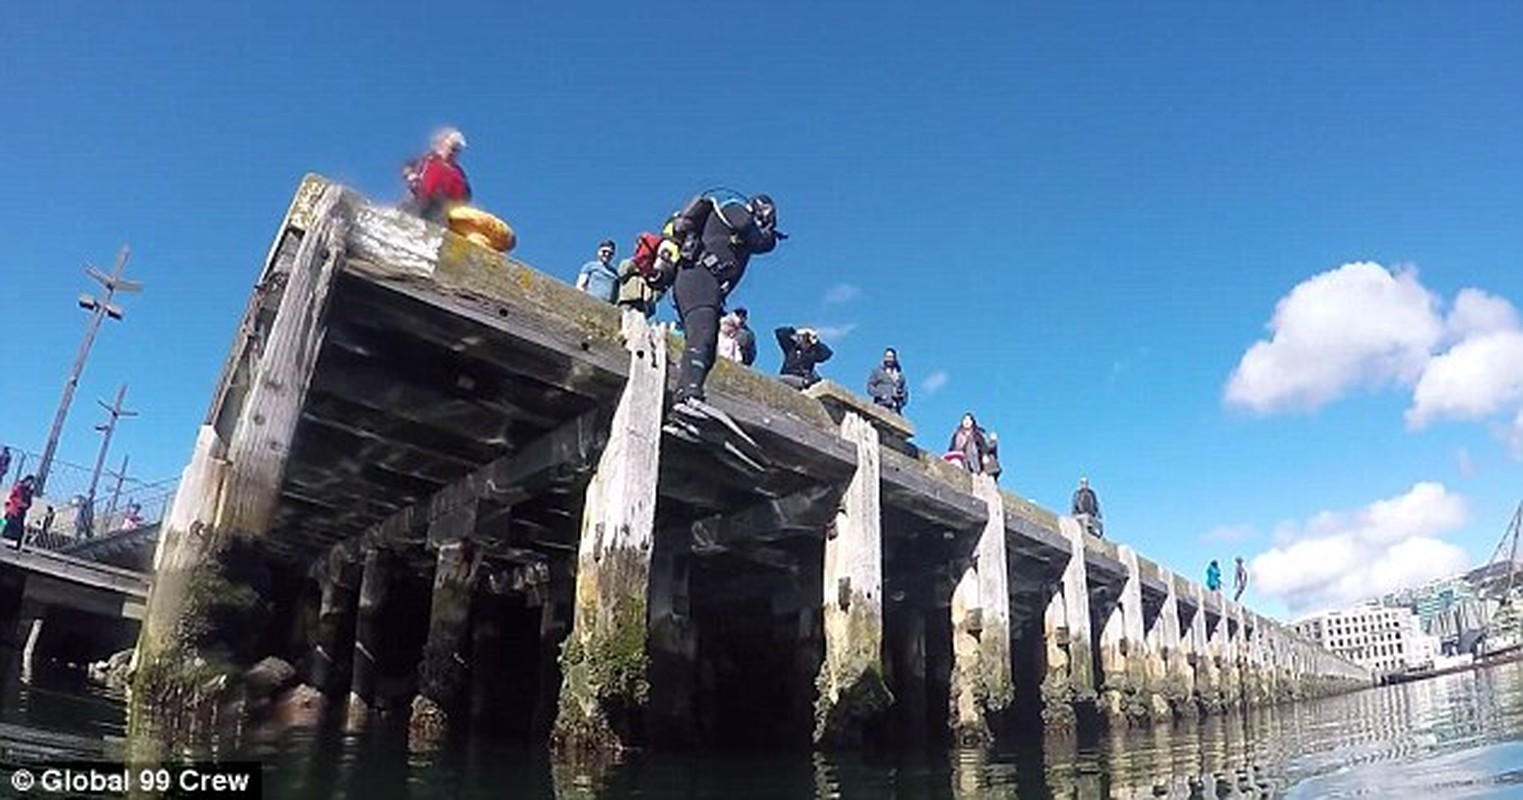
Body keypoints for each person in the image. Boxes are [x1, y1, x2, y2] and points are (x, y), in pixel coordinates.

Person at [669, 191, 782, 406]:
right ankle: (687, 395)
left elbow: (762, 244)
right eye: (767, 211)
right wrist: (768, 227)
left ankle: (686, 396)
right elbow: (759, 241)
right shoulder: (734, 209)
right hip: (698, 278)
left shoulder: (743, 230)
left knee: (708, 346)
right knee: (703, 334)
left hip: (701, 283)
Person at [402, 127, 471, 223]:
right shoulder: (429, 159)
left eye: (456, 150)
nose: (452, 152)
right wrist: (410, 176)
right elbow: (408, 167)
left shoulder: (458, 173)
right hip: (420, 199)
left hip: (442, 208)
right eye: (452, 148)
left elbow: (466, 194)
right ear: (443, 144)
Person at [866, 348, 909, 414]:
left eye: (891, 357)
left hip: (895, 409)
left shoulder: (900, 376)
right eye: (887, 357)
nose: (889, 359)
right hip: (880, 406)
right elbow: (870, 387)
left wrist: (900, 397)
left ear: (895, 359)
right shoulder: (877, 372)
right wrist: (881, 394)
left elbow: (905, 394)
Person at [4, 475, 35, 546]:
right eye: (29, 481)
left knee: (20, 528)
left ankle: (17, 544)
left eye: (32, 482)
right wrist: (19, 503)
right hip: (15, 510)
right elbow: (12, 497)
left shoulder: (29, 491)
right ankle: (12, 542)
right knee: (12, 526)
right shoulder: (19, 487)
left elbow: (29, 502)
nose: (30, 483)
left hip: (22, 511)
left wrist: (26, 505)